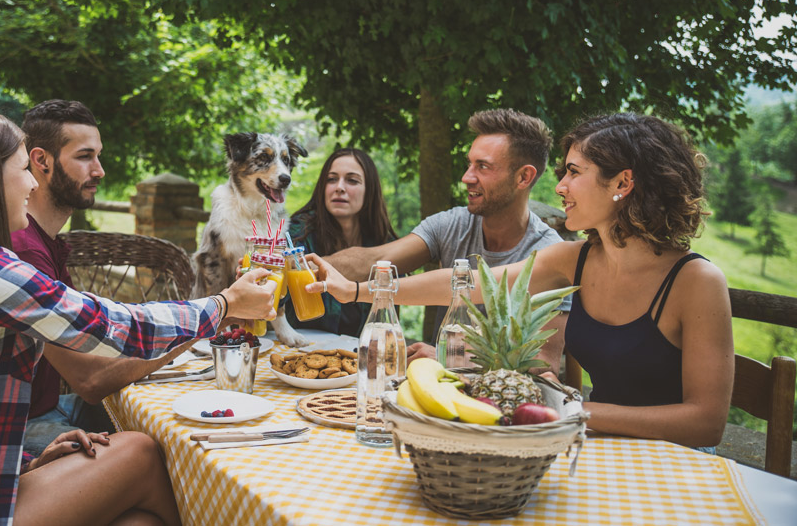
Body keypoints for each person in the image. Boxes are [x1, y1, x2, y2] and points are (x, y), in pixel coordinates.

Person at [0, 110, 276, 525]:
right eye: (22, 171)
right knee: (139, 452)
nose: (34, 185)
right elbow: (111, 327)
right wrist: (225, 304)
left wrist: (25, 464)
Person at [310, 113, 733, 449]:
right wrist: (360, 291)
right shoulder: (574, 259)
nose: (561, 186)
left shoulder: (695, 281)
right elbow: (470, 282)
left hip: (673, 465)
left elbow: (705, 423)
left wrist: (574, 412)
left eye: (574, 172)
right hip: (594, 445)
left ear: (622, 182)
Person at [322, 109, 567, 371]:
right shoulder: (451, 224)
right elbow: (377, 261)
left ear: (523, 177)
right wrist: (302, 268)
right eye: (469, 164)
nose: (466, 177)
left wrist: (447, 355)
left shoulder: (549, 252)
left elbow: (543, 363)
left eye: (482, 166)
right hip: (435, 389)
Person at [14, 100, 190, 456]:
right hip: (24, 425)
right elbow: (90, 380)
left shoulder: (46, 241)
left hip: (54, 405)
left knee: (177, 423)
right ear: (41, 160)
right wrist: (210, 320)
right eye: (85, 156)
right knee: (158, 451)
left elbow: (90, 338)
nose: (100, 170)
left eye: (99, 156)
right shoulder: (25, 249)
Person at [281, 148, 396, 336]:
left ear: (370, 190)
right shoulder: (296, 235)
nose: (339, 187)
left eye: (352, 180)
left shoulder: (383, 242)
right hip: (300, 352)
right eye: (331, 179)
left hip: (360, 356)